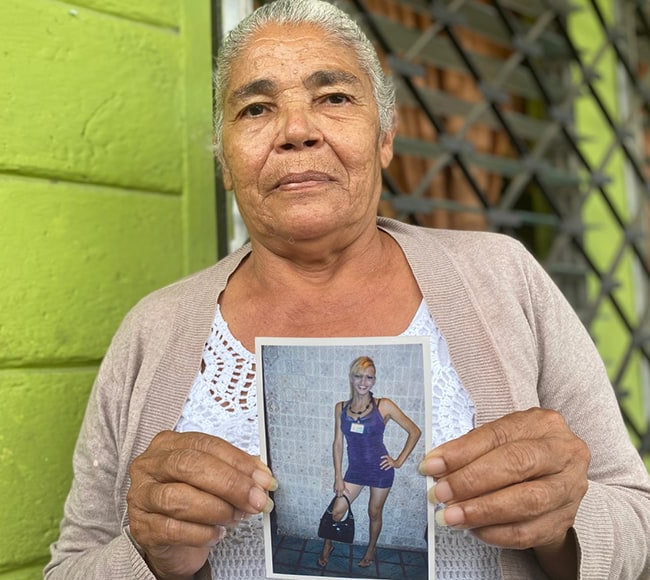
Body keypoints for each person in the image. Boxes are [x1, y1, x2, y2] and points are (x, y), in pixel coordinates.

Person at [44, 0, 650, 579]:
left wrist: (564, 524)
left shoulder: (503, 277)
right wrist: (149, 557)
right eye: (255, 109)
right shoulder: (154, 330)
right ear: (225, 162)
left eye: (333, 97)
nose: (296, 130)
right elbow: (73, 564)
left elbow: (636, 516)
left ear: (385, 138)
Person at [318, 355, 422, 568]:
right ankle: (328, 544)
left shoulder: (384, 406)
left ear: (374, 380)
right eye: (358, 376)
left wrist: (398, 461)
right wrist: (338, 476)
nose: (363, 382)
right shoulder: (340, 408)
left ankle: (371, 549)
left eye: (369, 377)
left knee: (374, 513)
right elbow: (337, 444)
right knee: (336, 511)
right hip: (355, 471)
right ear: (351, 378)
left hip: (380, 470)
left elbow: (414, 431)